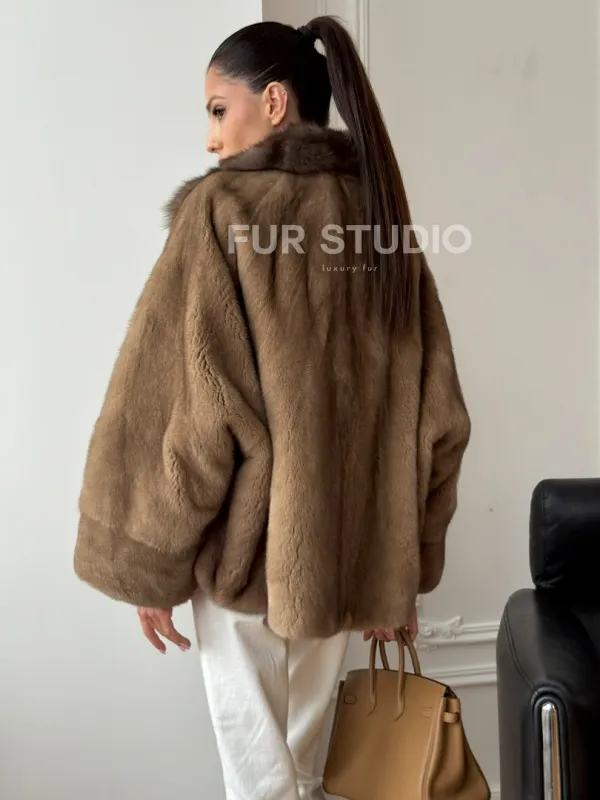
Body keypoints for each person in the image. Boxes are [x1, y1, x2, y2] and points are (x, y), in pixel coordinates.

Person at [74, 15, 470, 800]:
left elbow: (185, 412)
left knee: (260, 785)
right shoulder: (380, 218)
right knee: (306, 777)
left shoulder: (222, 214)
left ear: (277, 102)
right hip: (349, 558)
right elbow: (439, 417)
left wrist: (151, 561)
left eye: (219, 109)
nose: (212, 138)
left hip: (246, 561)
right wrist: (400, 568)